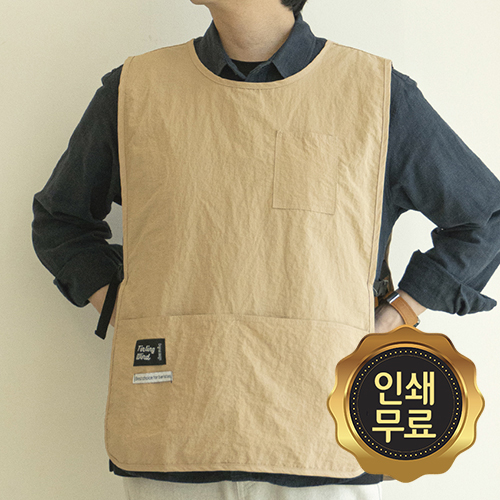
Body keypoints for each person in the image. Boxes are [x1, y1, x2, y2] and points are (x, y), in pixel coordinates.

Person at [31, 0, 500, 499]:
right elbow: (61, 221)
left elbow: (484, 217)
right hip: (172, 431)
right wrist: (125, 311)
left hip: (322, 441)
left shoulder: (375, 93)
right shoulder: (134, 90)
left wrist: (397, 315)